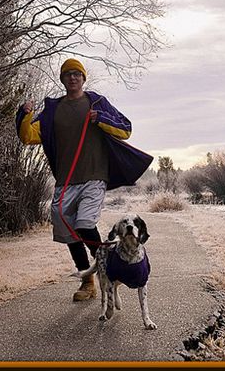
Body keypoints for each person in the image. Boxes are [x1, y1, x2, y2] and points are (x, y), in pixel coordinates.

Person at [15, 58, 153, 302]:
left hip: (94, 176)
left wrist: (101, 119)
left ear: (83, 77)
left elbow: (126, 128)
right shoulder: (53, 110)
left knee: (84, 222)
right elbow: (28, 137)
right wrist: (24, 114)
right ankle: (88, 281)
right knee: (65, 227)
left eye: (77, 74)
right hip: (66, 180)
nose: (72, 78)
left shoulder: (96, 102)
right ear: (62, 78)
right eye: (67, 74)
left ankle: (104, 265)